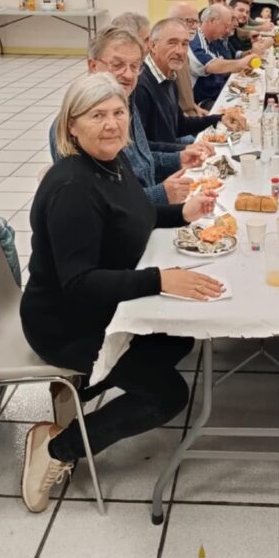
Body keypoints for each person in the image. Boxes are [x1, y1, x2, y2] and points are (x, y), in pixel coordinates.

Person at [21, 73, 225, 513]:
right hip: (65, 323)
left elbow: (134, 214)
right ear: (71, 126)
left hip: (101, 306)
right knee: (167, 395)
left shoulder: (112, 163)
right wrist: (159, 279)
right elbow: (78, 284)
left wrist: (181, 213)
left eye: (118, 113)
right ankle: (57, 447)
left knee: (180, 337)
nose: (112, 124)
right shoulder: (73, 187)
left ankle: (81, 389)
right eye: (97, 115)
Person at [49, 27, 208, 207]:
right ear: (93, 66)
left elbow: (141, 160)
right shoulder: (78, 126)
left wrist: (178, 158)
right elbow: (102, 205)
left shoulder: (126, 102)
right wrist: (161, 194)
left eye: (134, 66)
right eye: (117, 65)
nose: (128, 75)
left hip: (145, 211)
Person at [136, 19, 245, 146]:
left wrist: (219, 118)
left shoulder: (169, 76)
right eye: (172, 43)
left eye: (185, 44)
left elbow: (179, 125)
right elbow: (143, 150)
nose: (180, 51)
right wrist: (183, 153)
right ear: (153, 45)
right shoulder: (140, 85)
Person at [189, 4, 253, 107]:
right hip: (202, 101)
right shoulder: (196, 39)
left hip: (217, 92)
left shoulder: (213, 39)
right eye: (226, 26)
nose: (227, 31)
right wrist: (240, 63)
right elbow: (211, 65)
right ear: (212, 21)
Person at [167, 2, 209, 118]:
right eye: (190, 21)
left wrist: (195, 107)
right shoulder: (167, 57)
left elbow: (184, 96)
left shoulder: (185, 53)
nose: (195, 27)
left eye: (197, 22)